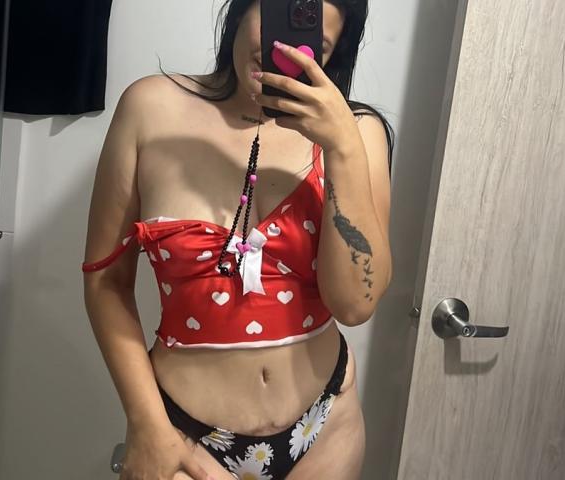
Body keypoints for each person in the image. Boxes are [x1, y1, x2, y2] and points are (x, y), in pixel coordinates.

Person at [82, 1, 394, 479]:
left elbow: (355, 305)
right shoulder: (150, 109)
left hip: (325, 427)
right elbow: (106, 284)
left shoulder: (358, 134)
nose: (282, 50)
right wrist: (148, 424)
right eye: (274, 19)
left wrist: (343, 148)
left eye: (312, 43)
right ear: (243, 10)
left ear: (331, 57)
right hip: (183, 435)